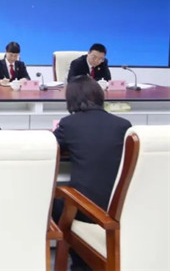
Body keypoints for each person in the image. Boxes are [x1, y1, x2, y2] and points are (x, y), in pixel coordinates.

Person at [52, 75, 131, 270]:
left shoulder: (69, 124)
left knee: (53, 200)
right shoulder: (124, 125)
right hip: (121, 209)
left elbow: (52, 145)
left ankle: (81, 262)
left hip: (86, 209)